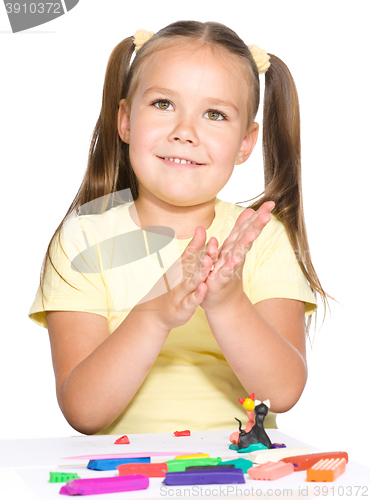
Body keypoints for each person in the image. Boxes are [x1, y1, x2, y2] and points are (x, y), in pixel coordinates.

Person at [29, 21, 328, 436]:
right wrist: (154, 315)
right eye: (164, 104)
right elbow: (83, 410)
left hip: (237, 474)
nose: (185, 132)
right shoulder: (84, 240)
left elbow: (283, 393)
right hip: (122, 478)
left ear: (245, 142)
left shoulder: (261, 240)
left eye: (214, 114)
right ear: (125, 120)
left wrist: (227, 303)